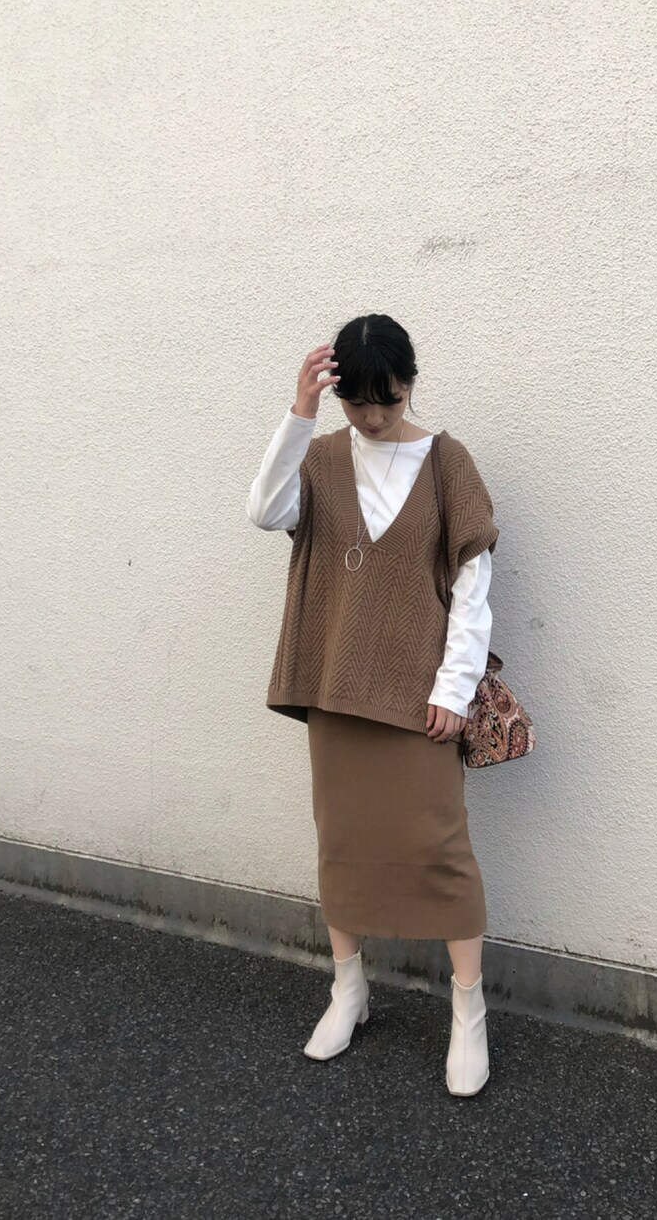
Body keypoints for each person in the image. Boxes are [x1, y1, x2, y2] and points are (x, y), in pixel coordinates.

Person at [246, 313, 499, 1096]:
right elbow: (265, 509)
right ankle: (348, 990)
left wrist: (454, 688)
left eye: (386, 400)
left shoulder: (448, 463)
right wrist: (300, 414)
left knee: (440, 850)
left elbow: (473, 587)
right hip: (336, 687)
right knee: (343, 845)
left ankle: (468, 1011)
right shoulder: (321, 459)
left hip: (421, 698)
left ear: (409, 383)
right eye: (357, 403)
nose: (374, 418)